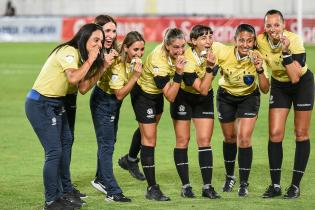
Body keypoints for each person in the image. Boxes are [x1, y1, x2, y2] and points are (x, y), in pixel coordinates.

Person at [25, 23, 106, 210]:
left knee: (65, 142)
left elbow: (83, 87)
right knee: (54, 151)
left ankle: (62, 194)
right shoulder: (69, 51)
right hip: (40, 103)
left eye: (100, 41)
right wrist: (91, 60)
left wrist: (100, 66)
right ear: (84, 37)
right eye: (95, 40)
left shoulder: (78, 56)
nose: (99, 45)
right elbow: (72, 78)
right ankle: (51, 201)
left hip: (55, 104)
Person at [259, 10, 314, 199]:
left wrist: (286, 52)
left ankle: (295, 187)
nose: (273, 29)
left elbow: (295, 77)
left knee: (300, 133)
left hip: (301, 83)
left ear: (283, 26)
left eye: (276, 25)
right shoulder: (260, 41)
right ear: (264, 26)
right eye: (269, 25)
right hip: (279, 85)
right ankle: (275, 185)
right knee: (275, 134)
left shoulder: (294, 40)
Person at [130, 28, 186, 201]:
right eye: (176, 47)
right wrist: (178, 73)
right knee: (150, 139)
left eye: (182, 46)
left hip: (156, 94)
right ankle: (152, 188)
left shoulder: (178, 51)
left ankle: (130, 159)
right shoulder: (157, 60)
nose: (180, 51)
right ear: (166, 45)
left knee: (148, 129)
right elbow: (170, 96)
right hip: (143, 94)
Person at [89, 31, 145, 202]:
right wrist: (135, 76)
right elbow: (119, 94)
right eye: (135, 49)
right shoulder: (117, 65)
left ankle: (100, 178)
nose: (139, 53)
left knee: (109, 142)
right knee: (107, 146)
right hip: (104, 101)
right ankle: (112, 191)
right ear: (126, 48)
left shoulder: (128, 57)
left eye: (142, 49)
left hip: (112, 103)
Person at [215, 24, 269, 197]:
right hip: (226, 96)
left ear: (254, 42)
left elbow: (265, 89)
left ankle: (244, 182)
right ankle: (230, 176)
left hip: (248, 97)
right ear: (235, 41)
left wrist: (259, 69)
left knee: (244, 139)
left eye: (249, 41)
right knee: (229, 138)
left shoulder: (258, 57)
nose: (246, 45)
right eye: (242, 40)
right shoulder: (223, 53)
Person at [170, 25, 220, 199]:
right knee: (183, 140)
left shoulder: (217, 50)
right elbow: (203, 89)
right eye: (203, 38)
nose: (208, 41)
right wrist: (209, 68)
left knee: (205, 140)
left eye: (210, 37)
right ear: (193, 41)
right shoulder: (187, 60)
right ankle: (186, 186)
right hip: (183, 97)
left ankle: (207, 187)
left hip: (203, 100)